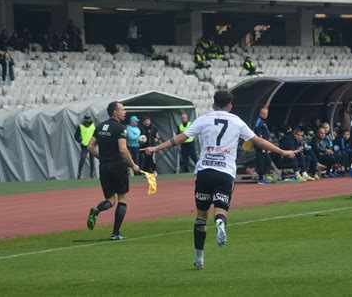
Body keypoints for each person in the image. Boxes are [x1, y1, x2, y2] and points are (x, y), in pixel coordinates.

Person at [143, 91, 296, 270]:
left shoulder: (203, 119)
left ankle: (199, 258)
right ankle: (220, 222)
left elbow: (179, 139)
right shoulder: (237, 121)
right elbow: (259, 142)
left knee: (201, 216)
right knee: (220, 208)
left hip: (205, 171)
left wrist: (155, 148)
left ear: (213, 104)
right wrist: (283, 152)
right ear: (230, 105)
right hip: (225, 172)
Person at [86, 102, 140, 240]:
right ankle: (115, 233)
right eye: (122, 110)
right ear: (115, 112)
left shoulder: (100, 126)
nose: (125, 112)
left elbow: (90, 146)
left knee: (110, 200)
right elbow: (123, 149)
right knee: (122, 198)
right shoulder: (121, 128)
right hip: (117, 166)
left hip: (103, 167)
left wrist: (102, 157)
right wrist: (133, 165)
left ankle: (96, 210)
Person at [254, 107, 272, 184]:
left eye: (266, 113)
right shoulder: (259, 121)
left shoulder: (263, 121)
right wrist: (260, 139)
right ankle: (261, 178)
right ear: (260, 113)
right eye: (263, 113)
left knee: (267, 160)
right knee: (262, 160)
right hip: (261, 144)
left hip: (265, 144)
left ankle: (263, 176)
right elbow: (256, 129)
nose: (265, 115)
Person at [74, 114, 96, 179]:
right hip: (84, 145)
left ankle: (92, 174)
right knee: (82, 159)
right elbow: (76, 136)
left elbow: (96, 134)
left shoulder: (93, 126)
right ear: (84, 119)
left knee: (92, 160)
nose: (87, 120)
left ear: (90, 119)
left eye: (88, 118)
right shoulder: (80, 126)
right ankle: (79, 173)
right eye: (86, 118)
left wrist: (95, 142)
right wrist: (80, 140)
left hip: (91, 145)